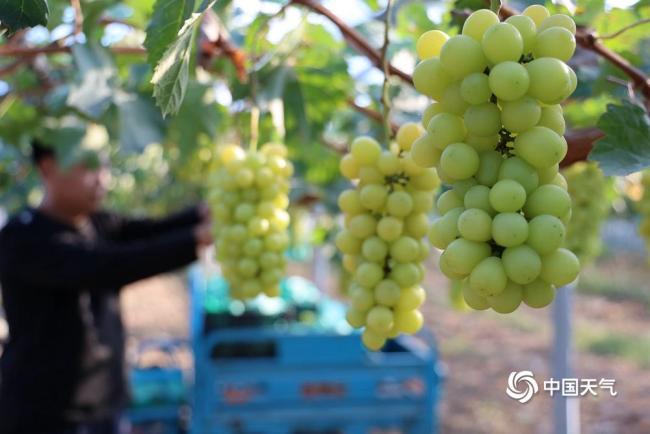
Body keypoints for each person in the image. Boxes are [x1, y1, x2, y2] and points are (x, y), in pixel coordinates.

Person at [0, 141, 214, 434]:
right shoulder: (22, 238)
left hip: (106, 412)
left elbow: (149, 231)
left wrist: (204, 213)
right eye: (88, 166)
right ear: (48, 167)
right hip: (44, 417)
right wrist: (195, 240)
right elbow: (107, 266)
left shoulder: (98, 224)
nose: (102, 177)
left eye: (104, 166)